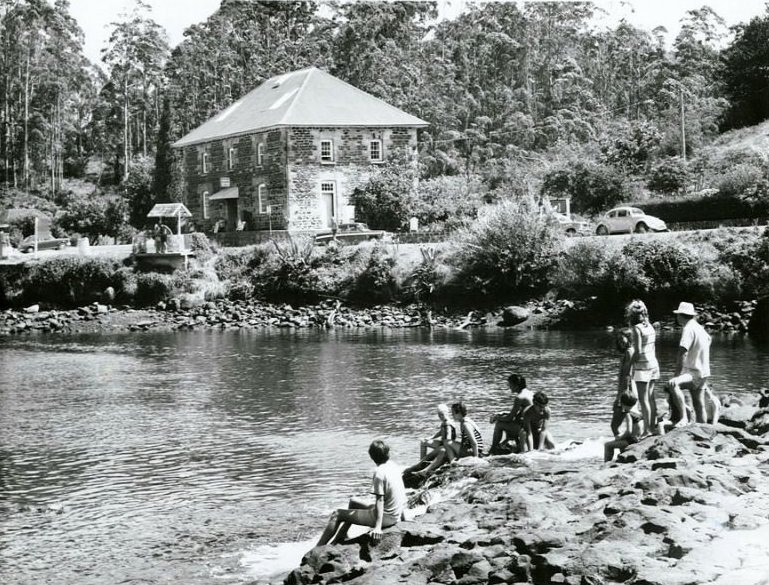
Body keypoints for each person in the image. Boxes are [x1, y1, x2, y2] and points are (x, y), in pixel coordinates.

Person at [316, 440, 407, 547]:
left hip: (386, 518)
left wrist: (377, 528)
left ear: (371, 456)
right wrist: (403, 518)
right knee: (353, 501)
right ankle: (342, 535)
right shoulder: (393, 466)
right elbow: (400, 492)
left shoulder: (379, 473)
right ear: (388, 453)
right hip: (394, 514)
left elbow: (380, 500)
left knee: (337, 514)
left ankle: (318, 547)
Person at [666, 302, 712, 425]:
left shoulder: (688, 329)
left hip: (693, 372)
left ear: (681, 315)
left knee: (673, 385)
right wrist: (700, 354)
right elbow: (709, 339)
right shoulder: (699, 327)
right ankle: (703, 428)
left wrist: (677, 375)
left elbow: (682, 353)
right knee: (699, 404)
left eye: (678, 315)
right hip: (704, 371)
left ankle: (683, 418)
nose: (677, 317)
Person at [414, 401, 483, 478]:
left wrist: (476, 458)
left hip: (472, 450)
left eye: (453, 413)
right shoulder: (466, 421)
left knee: (446, 442)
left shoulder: (465, 424)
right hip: (469, 448)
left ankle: (452, 461)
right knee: (448, 444)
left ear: (459, 413)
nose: (452, 415)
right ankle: (426, 469)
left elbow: (474, 443)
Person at [626, 300, 659, 436]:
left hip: (643, 366)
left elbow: (638, 351)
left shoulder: (637, 328)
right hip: (653, 364)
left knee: (643, 400)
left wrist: (629, 365)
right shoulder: (650, 326)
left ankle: (646, 430)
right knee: (651, 398)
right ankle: (652, 427)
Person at [403, 404, 457, 475]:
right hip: (442, 443)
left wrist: (445, 446)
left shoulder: (447, 423)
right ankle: (422, 462)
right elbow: (440, 432)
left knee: (438, 450)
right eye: (440, 414)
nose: (441, 416)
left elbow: (448, 438)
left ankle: (421, 464)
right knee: (423, 441)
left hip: (446, 445)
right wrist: (430, 437)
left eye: (442, 414)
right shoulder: (445, 422)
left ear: (447, 413)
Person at [489, 374, 533, 454]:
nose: (509, 387)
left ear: (516, 385)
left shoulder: (519, 397)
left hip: (524, 428)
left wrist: (496, 418)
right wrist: (503, 414)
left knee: (499, 424)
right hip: (531, 424)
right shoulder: (530, 393)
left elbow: (510, 418)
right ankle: (514, 445)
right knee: (505, 419)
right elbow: (521, 413)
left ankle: (492, 450)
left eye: (510, 384)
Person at [611, 327, 636, 437]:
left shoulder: (629, 352)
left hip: (626, 392)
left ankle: (620, 441)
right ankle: (626, 438)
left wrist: (620, 397)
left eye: (622, 339)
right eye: (619, 340)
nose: (620, 342)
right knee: (629, 419)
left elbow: (627, 375)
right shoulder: (631, 351)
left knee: (614, 425)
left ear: (629, 338)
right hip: (628, 390)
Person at [604, 393, 643, 462]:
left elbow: (629, 431)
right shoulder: (637, 412)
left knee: (607, 445)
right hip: (637, 438)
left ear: (622, 403)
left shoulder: (628, 414)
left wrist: (620, 438)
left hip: (631, 441)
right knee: (619, 439)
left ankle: (606, 463)